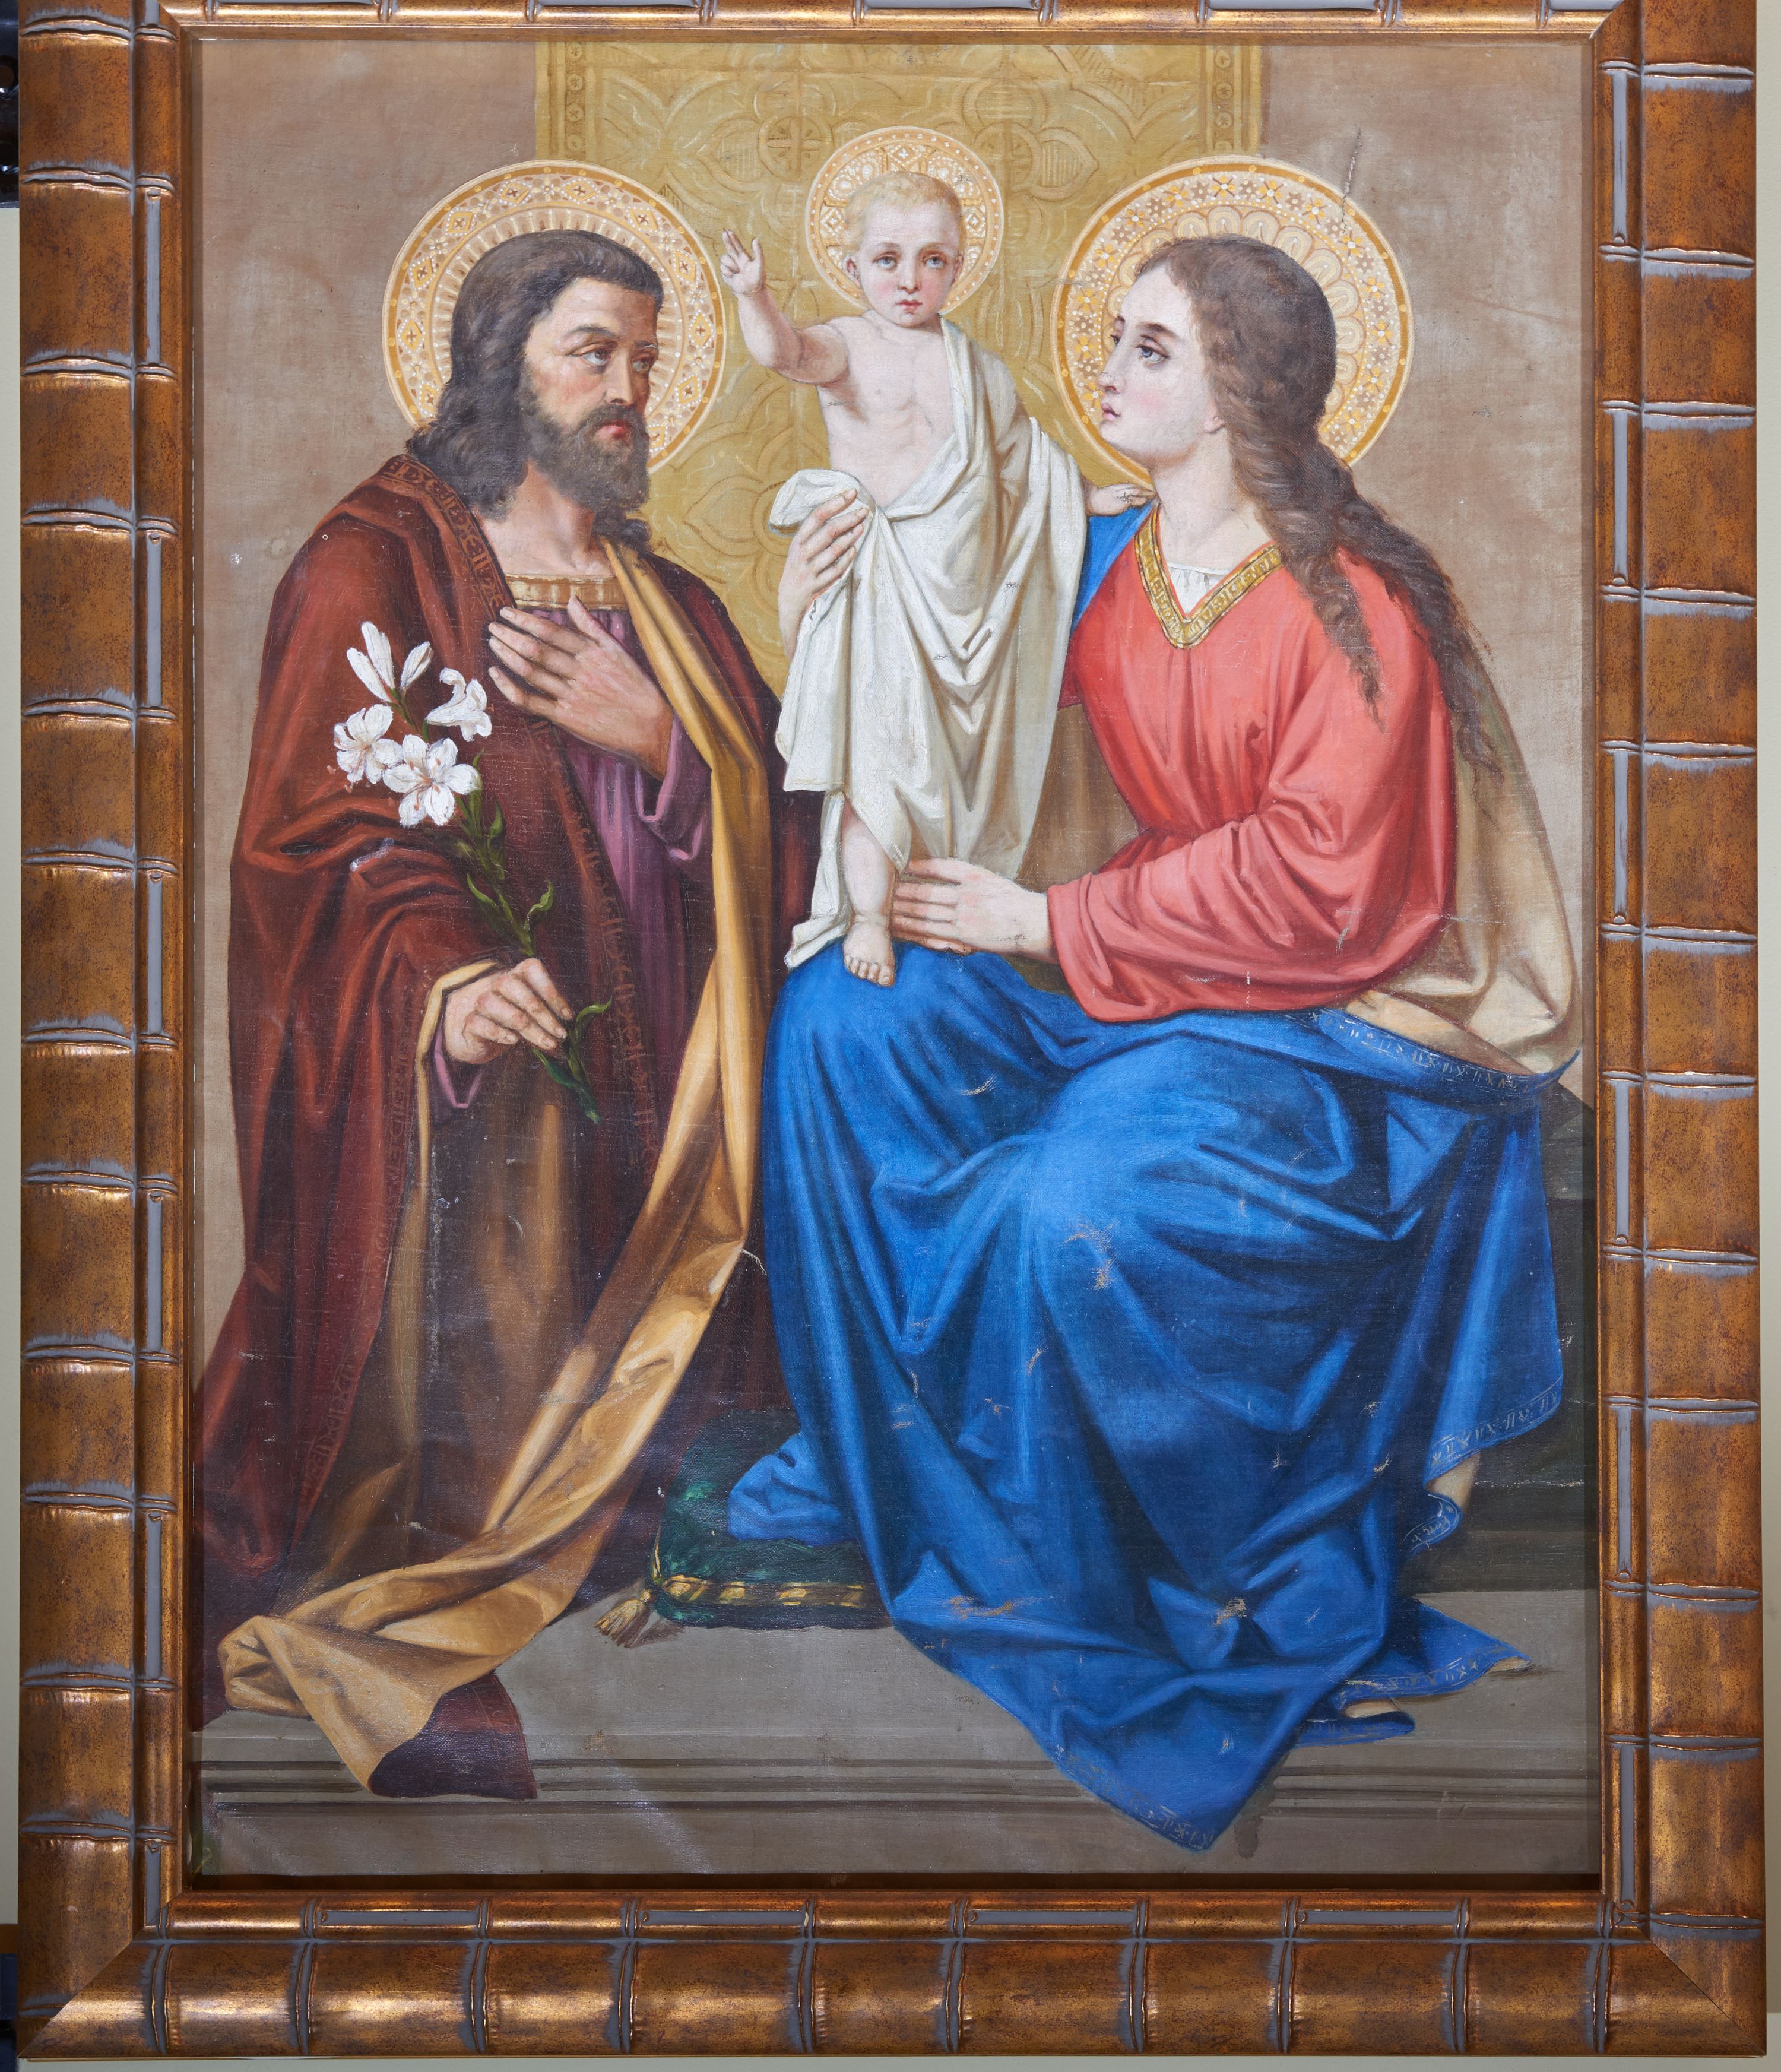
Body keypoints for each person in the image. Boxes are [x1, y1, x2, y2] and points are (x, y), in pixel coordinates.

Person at [729, 233, 1581, 1851]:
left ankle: (1111, 1561)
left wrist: (1053, 923)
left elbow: (1329, 886)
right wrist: (824, 601)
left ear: (1241, 390)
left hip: (1317, 1032)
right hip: (1136, 966)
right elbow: (949, 672)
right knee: (847, 1016)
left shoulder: (1355, 606)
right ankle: (882, 1443)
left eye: (1152, 347)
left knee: (1067, 1202)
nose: (1109, 370)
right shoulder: (1103, 553)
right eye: (1116, 337)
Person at [199, 229, 814, 1798]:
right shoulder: (378, 564)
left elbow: (794, 847)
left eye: (646, 360)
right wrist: (448, 976)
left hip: (680, 1104)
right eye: (592, 353)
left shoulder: (671, 606)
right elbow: (317, 844)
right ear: (499, 361)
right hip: (496, 1090)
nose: (628, 391)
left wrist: (668, 742)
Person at [719, 173, 1143, 988]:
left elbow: (1023, 461)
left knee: (945, 767)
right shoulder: (847, 345)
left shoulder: (977, 368)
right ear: (852, 268)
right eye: (888, 259)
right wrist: (754, 296)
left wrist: (1085, 498)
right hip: (878, 586)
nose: (910, 279)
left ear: (958, 268)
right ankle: (869, 915)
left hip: (961, 597)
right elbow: (783, 353)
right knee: (874, 760)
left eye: (932, 260)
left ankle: (939, 898)